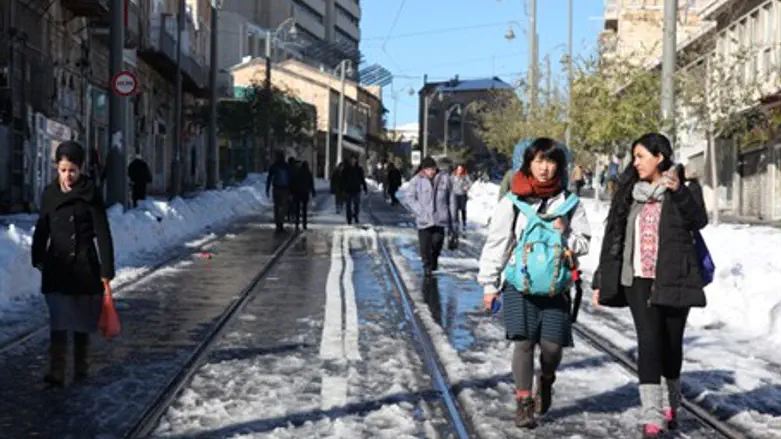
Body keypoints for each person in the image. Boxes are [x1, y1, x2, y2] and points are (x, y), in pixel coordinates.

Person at [591, 133, 708, 439]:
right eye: (635, 157)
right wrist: (601, 278)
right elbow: (613, 237)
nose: (636, 163)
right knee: (648, 341)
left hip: (674, 278)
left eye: (641, 156)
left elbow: (699, 220)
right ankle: (651, 414)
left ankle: (671, 400)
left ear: (660, 157)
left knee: (671, 343)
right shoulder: (630, 192)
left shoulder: (685, 188)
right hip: (637, 279)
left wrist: (679, 191)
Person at [477, 137, 591, 429]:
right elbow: (498, 243)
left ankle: (547, 379)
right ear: (527, 163)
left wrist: (565, 233)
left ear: (559, 166)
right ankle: (524, 403)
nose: (544, 168)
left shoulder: (569, 203)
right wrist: (490, 284)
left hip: (555, 285)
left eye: (551, 161)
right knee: (524, 343)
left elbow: (584, 242)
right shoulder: (512, 201)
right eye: (538, 161)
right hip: (519, 284)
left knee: (552, 347)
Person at [31, 141, 115, 387]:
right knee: (58, 320)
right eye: (63, 169)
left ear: (80, 170)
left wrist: (107, 270)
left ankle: (81, 366)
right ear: (57, 168)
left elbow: (103, 233)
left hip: (84, 267)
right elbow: (42, 227)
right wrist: (37, 256)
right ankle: (56, 372)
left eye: (73, 170)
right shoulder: (50, 194)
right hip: (56, 267)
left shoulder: (91, 194)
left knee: (81, 321)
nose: (68, 176)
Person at [407, 156, 458, 277]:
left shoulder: (445, 179)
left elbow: (451, 198)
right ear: (423, 170)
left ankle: (434, 260)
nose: (432, 171)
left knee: (437, 243)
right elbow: (410, 198)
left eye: (433, 169)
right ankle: (426, 265)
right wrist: (420, 211)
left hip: (440, 218)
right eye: (429, 169)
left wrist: (453, 219)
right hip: (424, 220)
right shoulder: (416, 180)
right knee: (425, 246)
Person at [266, 151, 293, 232]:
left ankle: (278, 222)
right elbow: (291, 179)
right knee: (284, 206)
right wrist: (291, 190)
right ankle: (281, 221)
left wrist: (267, 189)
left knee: (276, 206)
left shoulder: (274, 166)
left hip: (276, 188)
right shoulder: (287, 166)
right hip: (285, 189)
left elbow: (269, 178)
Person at [341, 155, 368, 224]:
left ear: (356, 160)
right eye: (351, 160)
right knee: (348, 205)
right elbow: (342, 180)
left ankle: (356, 216)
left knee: (356, 205)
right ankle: (349, 219)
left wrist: (365, 187)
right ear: (349, 161)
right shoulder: (346, 169)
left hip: (356, 189)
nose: (353, 161)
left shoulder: (359, 169)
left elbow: (362, 179)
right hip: (348, 190)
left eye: (354, 159)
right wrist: (342, 189)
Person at [291, 161, 316, 230]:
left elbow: (293, 182)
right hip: (305, 193)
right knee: (304, 209)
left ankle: (297, 223)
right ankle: (304, 223)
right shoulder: (308, 173)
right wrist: (313, 191)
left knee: (297, 209)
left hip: (297, 192)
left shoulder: (297, 173)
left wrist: (292, 191)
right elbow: (311, 183)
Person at [451, 164, 472, 229]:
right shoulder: (453, 176)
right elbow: (449, 183)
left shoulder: (465, 176)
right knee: (455, 209)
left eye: (461, 169)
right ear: (456, 169)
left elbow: (470, 183)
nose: (460, 171)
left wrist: (467, 187)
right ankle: (456, 223)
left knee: (463, 209)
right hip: (455, 195)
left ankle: (464, 222)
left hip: (463, 195)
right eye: (459, 169)